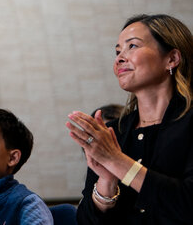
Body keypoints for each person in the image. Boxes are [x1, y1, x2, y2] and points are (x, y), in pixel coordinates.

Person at [66, 13, 193, 224]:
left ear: (171, 59)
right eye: (117, 52)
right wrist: (107, 182)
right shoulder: (113, 132)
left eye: (132, 46)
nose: (119, 58)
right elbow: (85, 221)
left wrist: (116, 161)